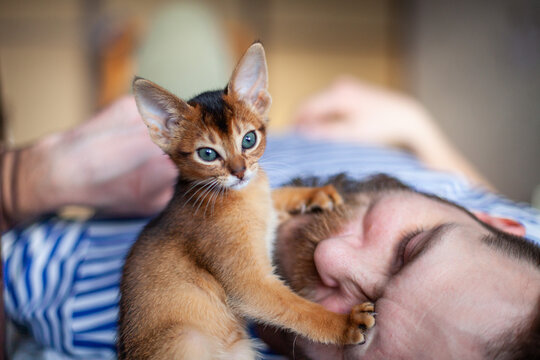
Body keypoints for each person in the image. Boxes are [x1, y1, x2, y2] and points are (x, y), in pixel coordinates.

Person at [1, 78, 539, 359]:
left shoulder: (62, 293)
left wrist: (26, 179)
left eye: (362, 334)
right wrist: (416, 125)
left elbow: (250, 286)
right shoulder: (522, 243)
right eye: (412, 247)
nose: (332, 256)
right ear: (504, 225)